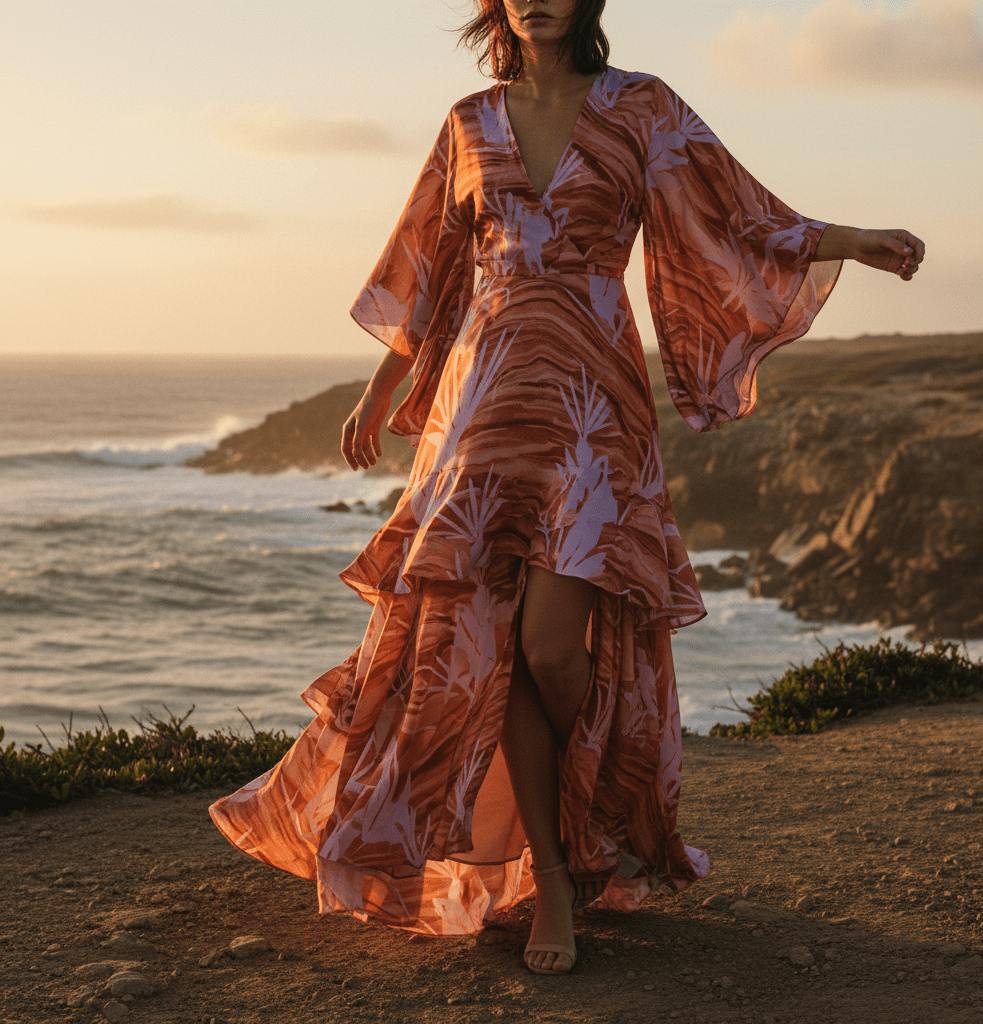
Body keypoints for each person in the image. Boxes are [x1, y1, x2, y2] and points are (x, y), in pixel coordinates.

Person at [211, 0, 924, 977]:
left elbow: (735, 209)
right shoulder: (468, 121)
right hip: (483, 410)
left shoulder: (640, 108)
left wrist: (851, 239)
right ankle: (552, 875)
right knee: (499, 646)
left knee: (554, 650)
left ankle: (590, 794)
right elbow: (428, 272)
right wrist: (380, 395)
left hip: (594, 411)